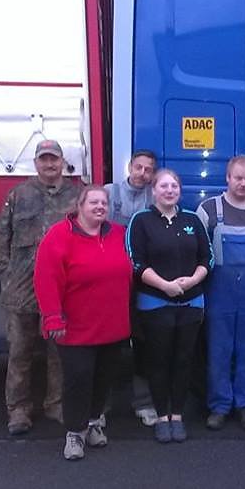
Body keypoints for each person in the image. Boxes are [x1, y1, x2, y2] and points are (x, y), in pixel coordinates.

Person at [33, 185, 133, 460]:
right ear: (80, 206)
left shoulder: (118, 233)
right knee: (78, 379)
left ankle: (93, 422)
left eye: (104, 203)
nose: (100, 207)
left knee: (103, 378)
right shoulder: (59, 236)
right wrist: (52, 317)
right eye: (93, 202)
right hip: (75, 327)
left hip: (112, 325)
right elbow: (46, 279)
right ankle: (74, 433)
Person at [0, 139, 81, 436]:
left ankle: (56, 403)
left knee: (60, 350)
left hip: (62, 286)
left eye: (54, 159)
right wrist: (5, 277)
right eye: (44, 159)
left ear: (63, 162)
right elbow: (2, 240)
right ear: (36, 163)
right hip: (22, 287)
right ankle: (18, 409)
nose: (49, 164)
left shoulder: (77, 195)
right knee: (20, 352)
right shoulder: (19, 195)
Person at [127, 170, 212, 443]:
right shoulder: (141, 221)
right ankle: (162, 417)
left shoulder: (192, 220)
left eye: (174, 185)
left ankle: (177, 415)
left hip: (191, 303)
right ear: (154, 190)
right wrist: (165, 285)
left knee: (184, 360)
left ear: (180, 190)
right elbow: (135, 261)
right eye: (163, 186)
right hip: (156, 303)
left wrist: (193, 280)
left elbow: (207, 257)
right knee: (159, 361)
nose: (169, 190)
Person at [196, 155, 245, 431]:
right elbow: (198, 252)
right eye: (238, 178)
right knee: (219, 350)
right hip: (219, 290)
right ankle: (219, 406)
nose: (243, 183)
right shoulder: (208, 209)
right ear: (227, 178)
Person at [104, 150, 159, 427]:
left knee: (143, 343)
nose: (142, 174)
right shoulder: (108, 193)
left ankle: (144, 403)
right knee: (104, 344)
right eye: (139, 167)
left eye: (148, 170)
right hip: (109, 280)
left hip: (142, 280)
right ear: (130, 167)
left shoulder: (155, 197)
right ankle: (100, 407)